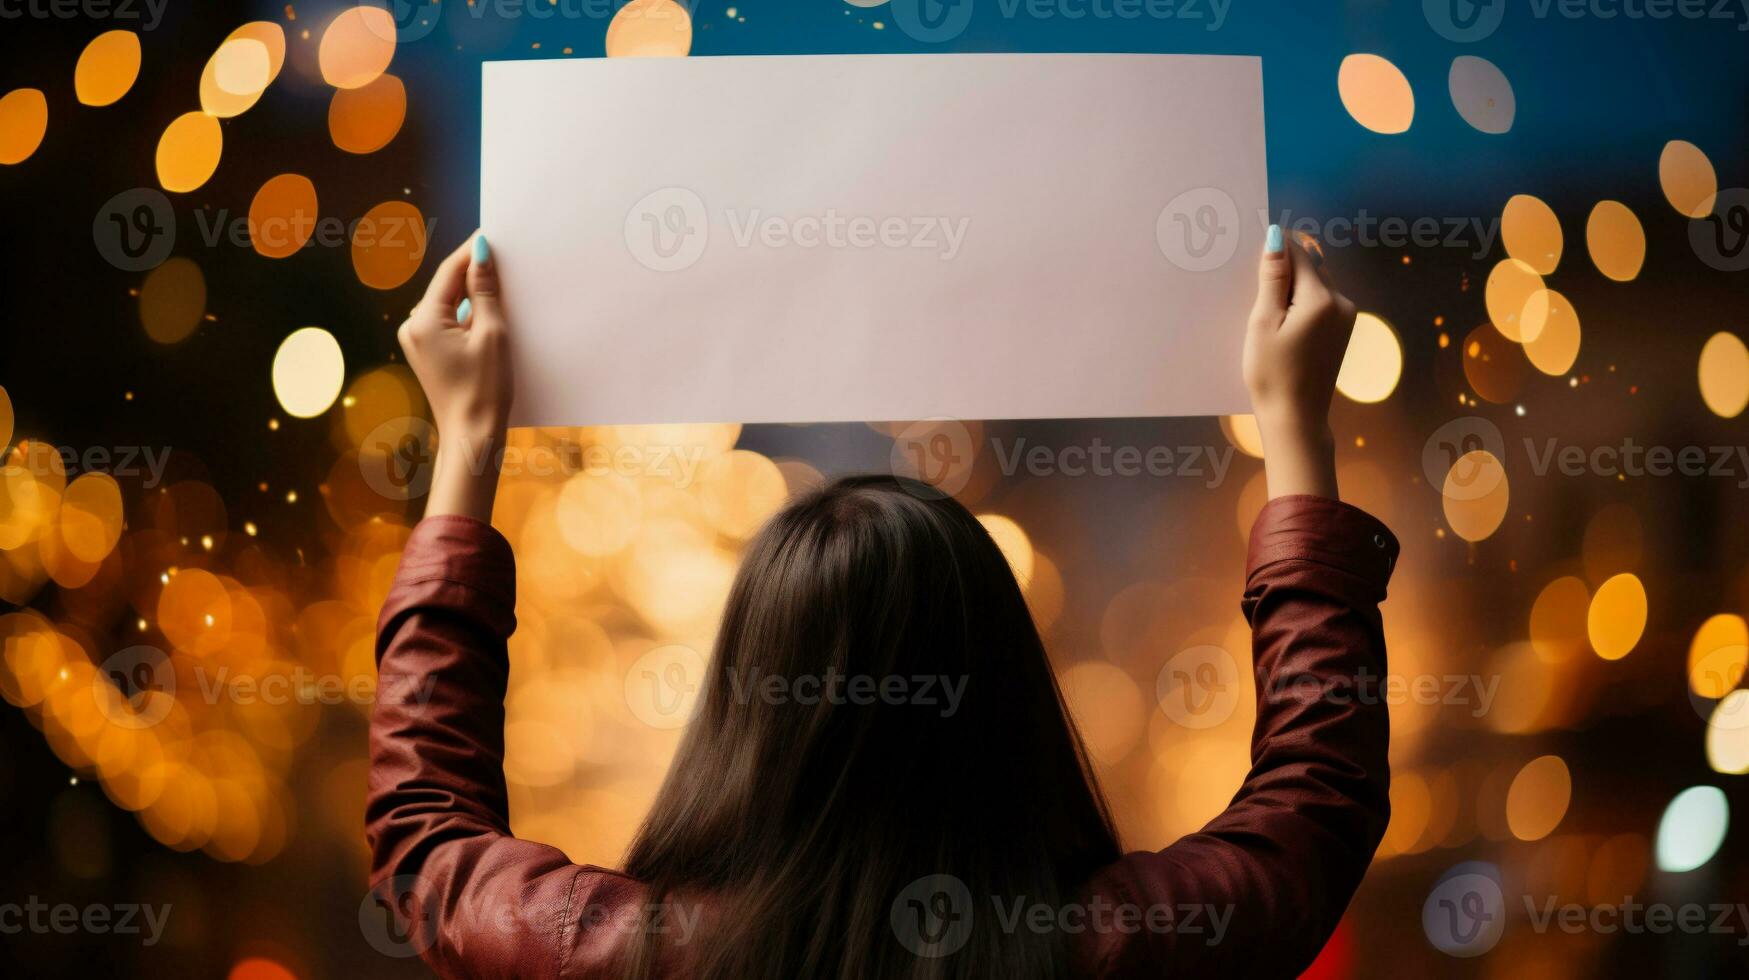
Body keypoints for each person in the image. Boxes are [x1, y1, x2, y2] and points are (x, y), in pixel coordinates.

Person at [366, 226, 1397, 978]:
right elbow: (1316, 801)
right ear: (1004, 690)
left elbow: (425, 836)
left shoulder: (624, 949)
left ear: (748, 703)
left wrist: (466, 443)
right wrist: (1296, 424)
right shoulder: (1114, 944)